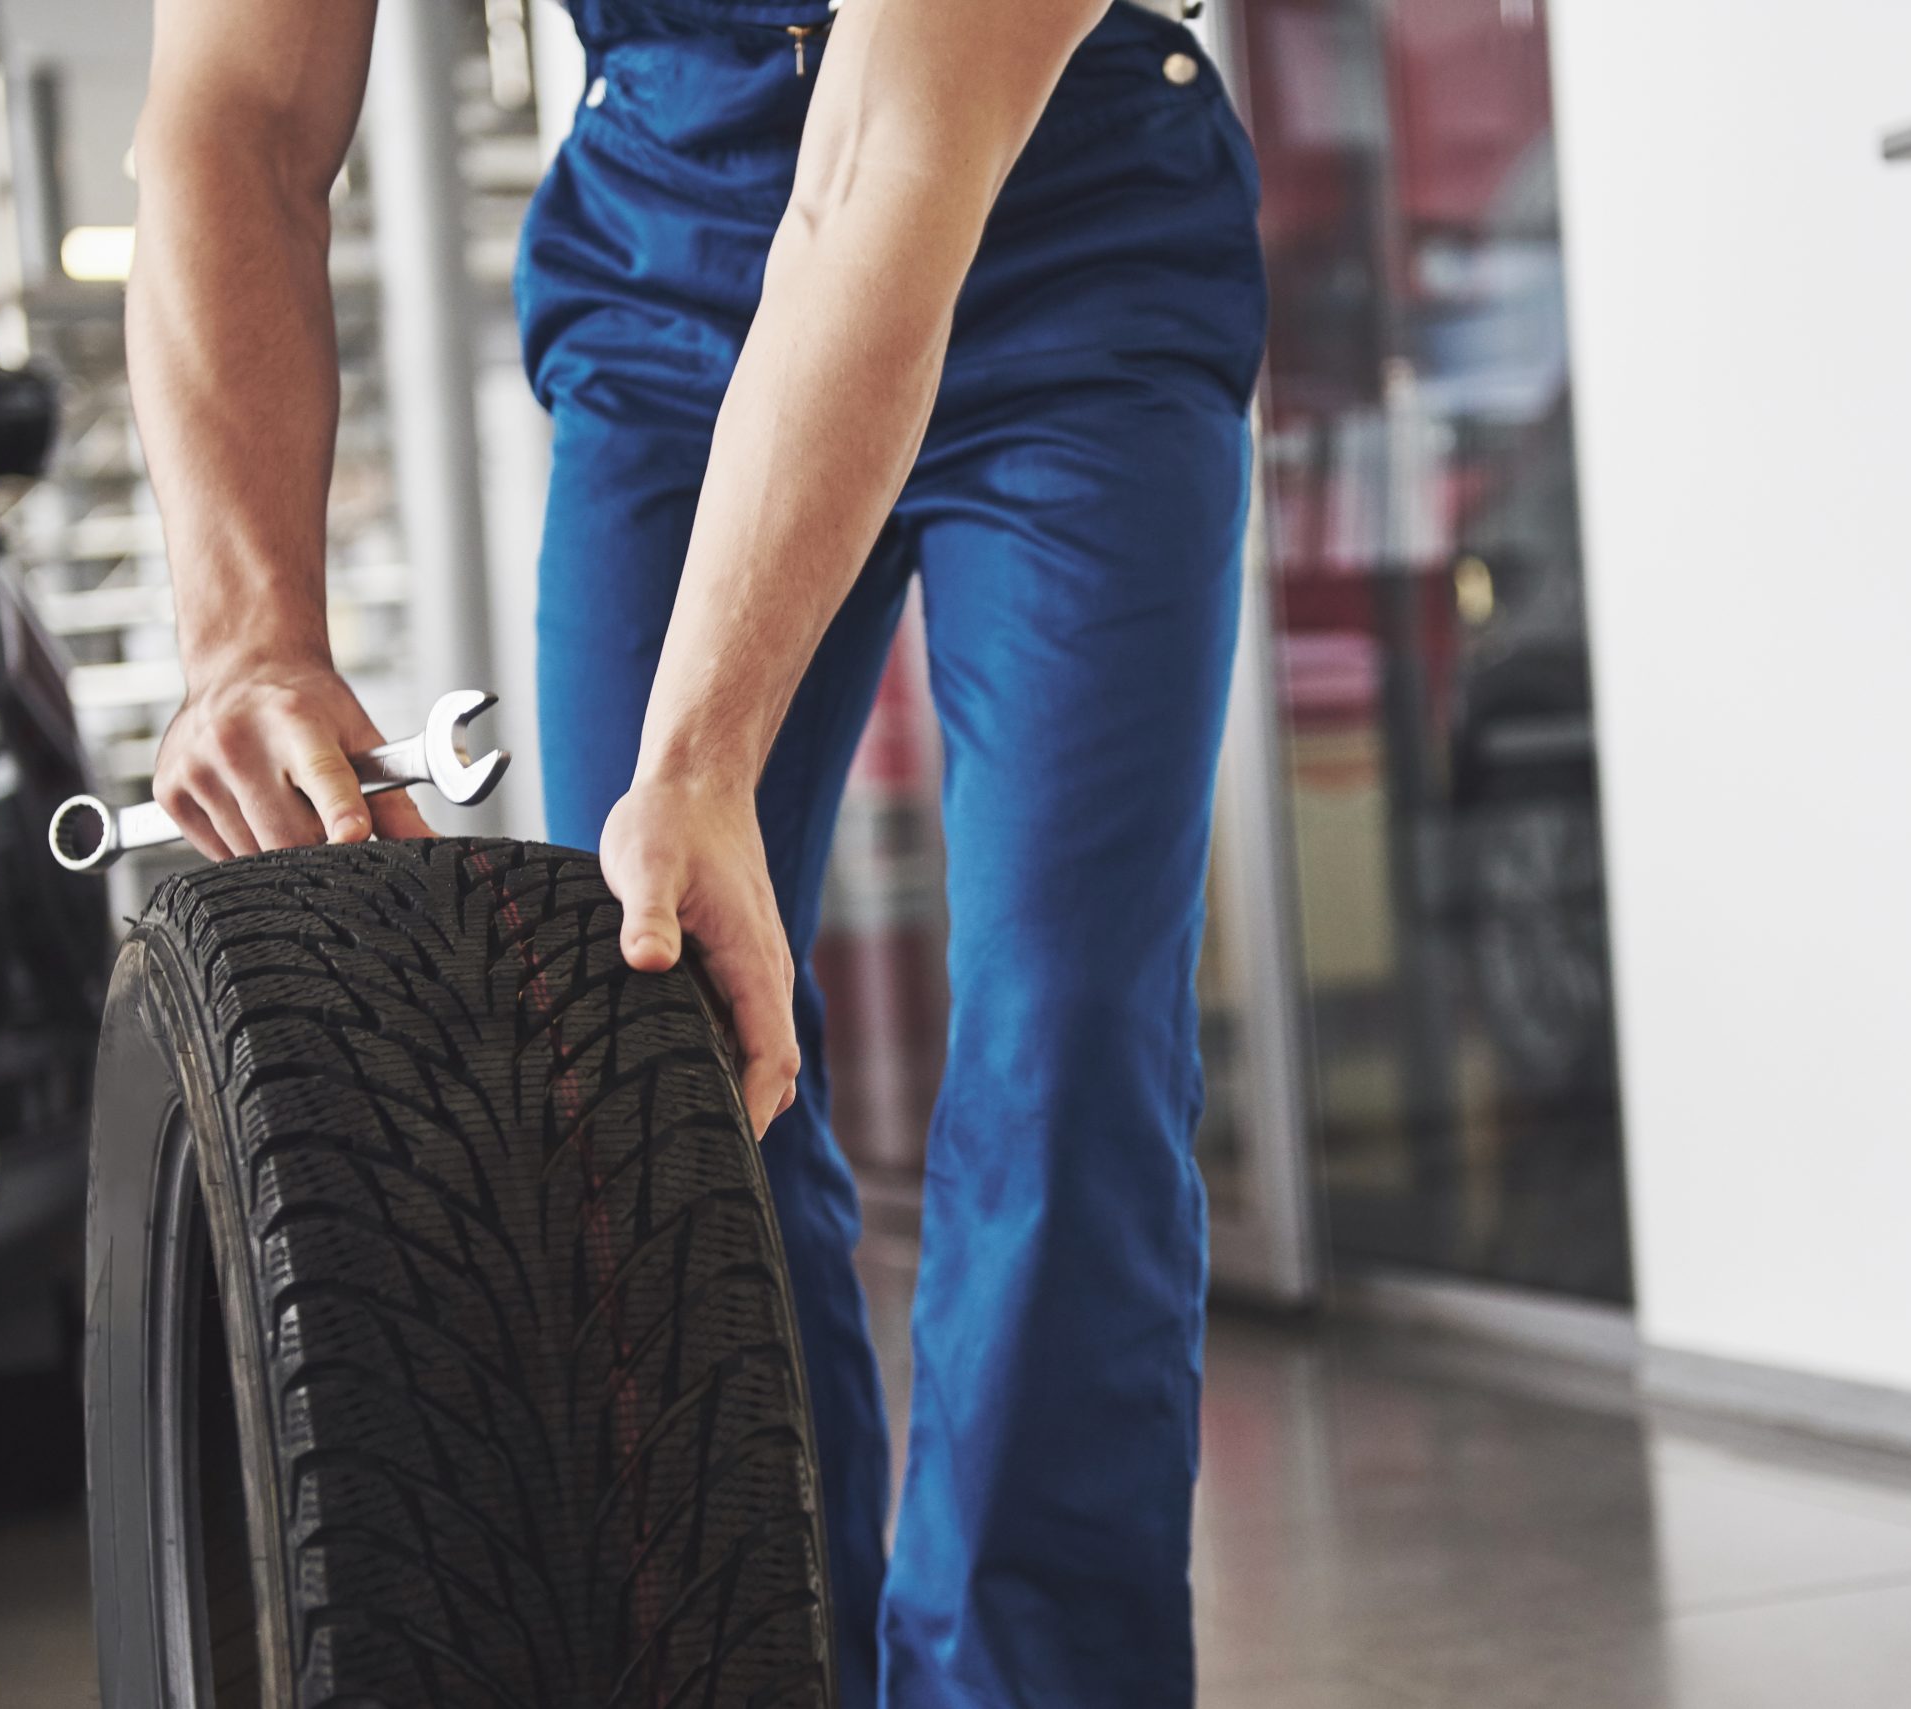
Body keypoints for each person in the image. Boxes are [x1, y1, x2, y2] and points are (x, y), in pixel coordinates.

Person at [129, 0, 1264, 1699]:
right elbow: (230, 117)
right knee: (659, 1038)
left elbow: (883, 168)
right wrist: (249, 636)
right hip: (674, 285)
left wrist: (703, 752)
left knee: (1067, 1031)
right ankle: (749, 1661)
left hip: (1061, 242)